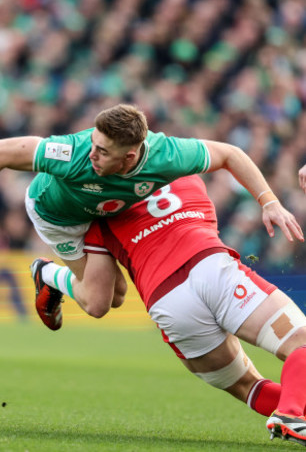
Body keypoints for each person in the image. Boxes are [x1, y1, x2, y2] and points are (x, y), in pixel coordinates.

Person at [30, 175, 306, 445]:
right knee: (299, 342)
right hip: (211, 269)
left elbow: (98, 297)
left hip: (167, 303)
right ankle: (291, 414)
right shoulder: (181, 164)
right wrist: (268, 199)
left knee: (247, 386)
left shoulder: (99, 214)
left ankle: (46, 273)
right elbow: (228, 156)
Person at [0, 103, 302, 286]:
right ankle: (47, 275)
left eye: (103, 151)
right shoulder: (71, 153)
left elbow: (230, 154)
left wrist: (269, 201)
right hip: (58, 215)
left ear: (132, 155)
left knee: (114, 297)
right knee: (100, 303)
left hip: (107, 212)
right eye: (94, 143)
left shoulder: (166, 156)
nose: (93, 153)